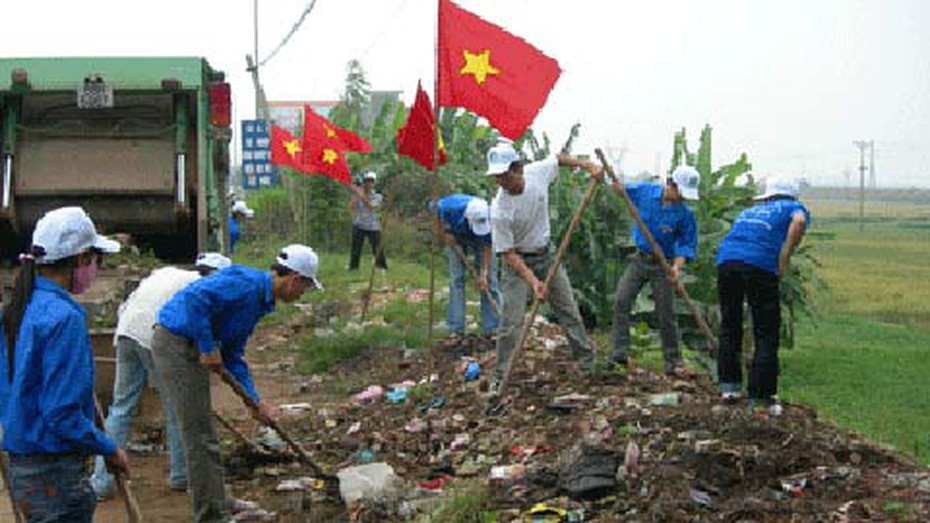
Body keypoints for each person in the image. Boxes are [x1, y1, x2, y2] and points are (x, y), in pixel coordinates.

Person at [151, 244, 322, 523]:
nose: (302, 293)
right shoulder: (245, 284)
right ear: (295, 279)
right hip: (176, 345)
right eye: (305, 288)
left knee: (206, 435)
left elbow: (233, 354)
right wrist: (207, 346)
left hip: (190, 345)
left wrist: (253, 401)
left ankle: (218, 500)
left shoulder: (260, 302)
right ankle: (210, 515)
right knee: (199, 435)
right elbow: (195, 299)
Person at [0, 206, 129, 522]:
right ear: (82, 259)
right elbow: (61, 413)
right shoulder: (63, 319)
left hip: (24, 468)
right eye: (96, 259)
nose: (95, 268)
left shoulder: (19, 309)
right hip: (55, 474)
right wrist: (107, 447)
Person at [91, 252, 232, 499]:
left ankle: (101, 483)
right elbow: (193, 328)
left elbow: (130, 303)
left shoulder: (167, 272)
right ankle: (181, 474)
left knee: (121, 407)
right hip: (153, 336)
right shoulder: (201, 288)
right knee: (177, 406)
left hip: (126, 331)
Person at [486, 142, 603, 396]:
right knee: (511, 321)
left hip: (547, 255)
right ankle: (501, 375)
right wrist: (533, 282)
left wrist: (588, 165)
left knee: (568, 309)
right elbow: (507, 253)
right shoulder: (499, 211)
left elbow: (557, 159)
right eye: (497, 177)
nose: (501, 181)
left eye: (505, 175)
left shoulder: (537, 172)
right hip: (517, 264)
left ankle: (587, 363)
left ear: (518, 168)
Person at [715, 177, 809, 414]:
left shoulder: (750, 211)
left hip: (726, 262)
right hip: (759, 266)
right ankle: (761, 397)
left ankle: (729, 387)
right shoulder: (793, 208)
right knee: (766, 330)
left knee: (730, 323)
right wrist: (783, 260)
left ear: (768, 196)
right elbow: (798, 222)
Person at [608, 165, 700, 376]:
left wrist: (676, 268)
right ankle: (619, 352)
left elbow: (686, 245)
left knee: (666, 313)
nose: (681, 198)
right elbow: (620, 187)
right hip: (640, 259)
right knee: (622, 301)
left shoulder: (685, 215)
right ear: (670, 184)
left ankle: (673, 362)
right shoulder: (645, 191)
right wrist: (619, 190)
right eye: (680, 192)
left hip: (663, 265)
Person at [434, 194, 501, 339]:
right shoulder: (450, 207)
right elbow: (435, 213)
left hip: (481, 242)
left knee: (490, 280)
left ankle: (492, 327)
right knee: (457, 280)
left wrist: (483, 274)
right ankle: (455, 328)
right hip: (455, 236)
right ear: (467, 218)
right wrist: (443, 235)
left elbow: (487, 248)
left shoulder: (490, 217)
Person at [348, 171, 387, 270]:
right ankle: (353, 267)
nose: (369, 183)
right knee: (356, 248)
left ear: (374, 183)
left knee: (377, 248)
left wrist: (360, 194)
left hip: (373, 226)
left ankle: (381, 266)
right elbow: (352, 206)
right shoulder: (358, 194)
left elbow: (371, 206)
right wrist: (355, 195)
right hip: (359, 224)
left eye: (371, 181)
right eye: (367, 181)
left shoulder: (378, 196)